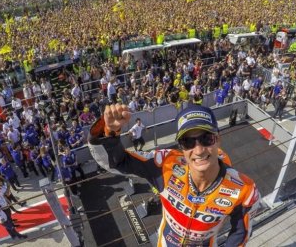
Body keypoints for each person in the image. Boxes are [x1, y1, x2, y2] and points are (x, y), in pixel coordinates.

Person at [88, 104, 260, 246]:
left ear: (218, 139)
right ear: (180, 147)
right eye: (188, 142)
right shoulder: (164, 164)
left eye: (207, 138)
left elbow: (240, 234)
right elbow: (117, 163)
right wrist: (108, 132)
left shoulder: (244, 190)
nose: (199, 150)